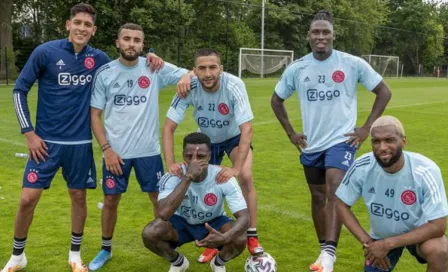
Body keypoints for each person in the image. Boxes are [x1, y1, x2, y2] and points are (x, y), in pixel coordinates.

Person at [3, 4, 162, 272]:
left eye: (87, 25)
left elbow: (127, 60)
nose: (82, 28)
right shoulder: (46, 52)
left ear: (94, 30)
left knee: (78, 198)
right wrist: (28, 133)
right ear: (68, 24)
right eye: (77, 22)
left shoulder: (99, 60)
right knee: (27, 199)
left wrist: (153, 57)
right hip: (44, 144)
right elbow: (20, 90)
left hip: (80, 145)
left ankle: (75, 255)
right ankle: (17, 256)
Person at [270, 10, 391, 272]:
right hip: (312, 145)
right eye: (316, 32)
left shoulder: (351, 63)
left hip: (342, 141)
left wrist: (366, 128)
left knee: (335, 188)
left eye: (326, 32)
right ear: (309, 36)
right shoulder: (297, 68)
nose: (321, 36)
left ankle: (329, 254)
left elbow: (383, 91)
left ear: (333, 35)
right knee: (317, 196)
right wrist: (291, 132)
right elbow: (276, 99)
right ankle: (324, 247)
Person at [88, 23, 193, 270]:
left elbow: (188, 73)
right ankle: (105, 249)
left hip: (148, 152)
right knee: (111, 201)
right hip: (116, 154)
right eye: (126, 39)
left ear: (142, 45)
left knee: (160, 201)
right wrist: (107, 150)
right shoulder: (105, 73)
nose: (131, 44)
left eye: (137, 40)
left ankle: (167, 245)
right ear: (117, 43)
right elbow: (95, 115)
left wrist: (187, 75)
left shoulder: (153, 67)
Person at [163, 48, 263, 262]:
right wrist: (170, 162)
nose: (208, 73)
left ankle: (252, 235)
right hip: (206, 143)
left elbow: (247, 128)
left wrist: (235, 168)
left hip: (233, 138)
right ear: (195, 70)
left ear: (221, 69)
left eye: (212, 67)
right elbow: (168, 127)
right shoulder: (188, 86)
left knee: (245, 177)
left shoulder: (234, 85)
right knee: (202, 183)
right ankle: (212, 237)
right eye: (202, 68)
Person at [336, 116, 448, 271]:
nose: (382, 147)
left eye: (389, 140)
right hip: (380, 235)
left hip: (417, 234)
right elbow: (340, 204)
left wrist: (388, 244)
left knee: (439, 249)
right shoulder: (362, 166)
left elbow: (439, 226)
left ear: (403, 141)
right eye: (376, 141)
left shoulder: (425, 171)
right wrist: (369, 243)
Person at [142, 132, 249, 272]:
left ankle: (218, 263)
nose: (194, 161)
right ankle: (178, 262)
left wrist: (225, 237)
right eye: (189, 156)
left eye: (201, 156)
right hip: (181, 222)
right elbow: (163, 213)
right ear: (183, 155)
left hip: (214, 221)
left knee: (239, 238)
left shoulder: (222, 177)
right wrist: (188, 176)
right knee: (150, 233)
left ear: (210, 156)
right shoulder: (172, 177)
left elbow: (245, 217)